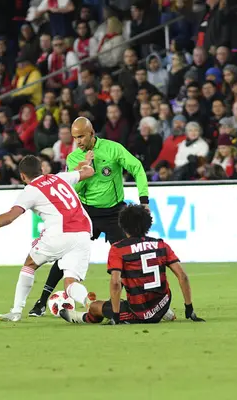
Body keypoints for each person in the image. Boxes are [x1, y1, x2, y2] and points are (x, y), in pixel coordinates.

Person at [29, 117, 150, 317]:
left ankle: (141, 300)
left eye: (82, 137)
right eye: (75, 137)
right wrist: (86, 170)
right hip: (86, 212)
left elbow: (137, 167)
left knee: (127, 257)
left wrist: (144, 200)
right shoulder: (74, 158)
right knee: (64, 254)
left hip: (114, 212)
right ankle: (42, 301)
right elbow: (72, 189)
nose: (78, 141)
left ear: (92, 133)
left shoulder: (113, 149)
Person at [0, 155, 96, 322]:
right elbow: (88, 172)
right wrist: (85, 164)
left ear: (22, 176)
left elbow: (10, 217)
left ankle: (16, 311)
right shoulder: (59, 177)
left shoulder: (31, 189)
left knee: (30, 264)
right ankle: (89, 302)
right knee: (70, 283)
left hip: (60, 232)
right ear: (42, 170)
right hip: (83, 232)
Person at [59, 204, 205, 325]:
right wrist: (189, 308)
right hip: (163, 303)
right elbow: (183, 276)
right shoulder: (161, 245)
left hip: (139, 312)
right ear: (148, 224)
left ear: (122, 225)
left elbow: (115, 283)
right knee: (133, 274)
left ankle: (82, 318)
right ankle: (164, 311)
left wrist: (115, 315)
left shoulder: (118, 249)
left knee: (96, 306)